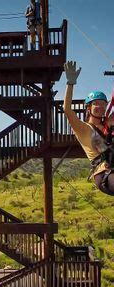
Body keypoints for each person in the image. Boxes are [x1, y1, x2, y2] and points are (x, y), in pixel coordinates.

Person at [64, 61, 114, 196]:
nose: (100, 107)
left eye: (103, 104)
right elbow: (67, 110)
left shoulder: (107, 125)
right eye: (96, 104)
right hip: (104, 173)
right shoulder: (83, 128)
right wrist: (70, 83)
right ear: (88, 107)